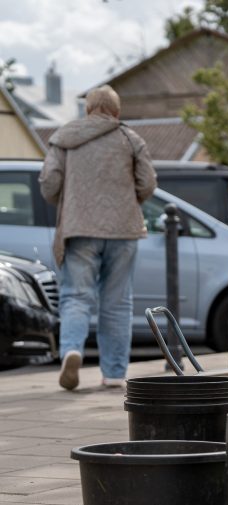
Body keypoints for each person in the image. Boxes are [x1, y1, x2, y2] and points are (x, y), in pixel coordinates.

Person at [39, 85, 157, 391]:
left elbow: (49, 183)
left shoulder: (63, 138)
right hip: (123, 229)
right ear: (117, 112)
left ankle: (72, 350)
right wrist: (127, 200)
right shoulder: (130, 139)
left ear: (88, 110)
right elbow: (147, 184)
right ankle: (115, 373)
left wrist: (69, 200)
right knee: (117, 302)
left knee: (76, 296)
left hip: (79, 228)